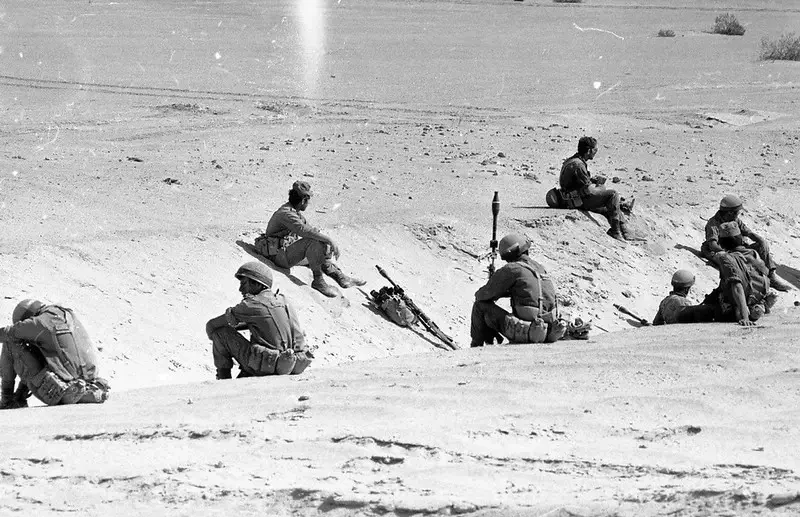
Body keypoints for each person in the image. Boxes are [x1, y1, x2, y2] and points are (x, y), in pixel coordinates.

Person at [255, 181, 365, 298]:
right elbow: (304, 231)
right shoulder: (286, 213)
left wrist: (325, 244)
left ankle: (340, 277)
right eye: (308, 201)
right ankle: (318, 281)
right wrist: (330, 240)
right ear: (303, 200)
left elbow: (311, 230)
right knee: (312, 243)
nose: (308, 204)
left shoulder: (294, 212)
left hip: (283, 252)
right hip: (277, 256)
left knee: (320, 246)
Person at [206, 261, 313, 380]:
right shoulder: (283, 300)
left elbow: (211, 325)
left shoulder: (251, 304)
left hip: (268, 367)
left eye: (244, 283)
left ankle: (223, 379)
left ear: (257, 284)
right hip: (292, 364)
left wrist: (223, 348)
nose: (240, 289)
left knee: (220, 333)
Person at [0, 299, 109, 409]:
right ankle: (19, 397)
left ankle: (7, 399)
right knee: (34, 349)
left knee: (10, 341)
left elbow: (7, 333)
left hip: (60, 389)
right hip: (90, 381)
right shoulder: (66, 313)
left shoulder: (38, 323)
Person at [470, 233, 566, 346]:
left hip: (528, 332)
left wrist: (494, 282)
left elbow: (482, 295)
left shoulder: (512, 269)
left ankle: (476, 346)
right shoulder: (540, 268)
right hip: (550, 332)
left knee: (480, 306)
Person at [701, 194, 792, 292]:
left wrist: (760, 240)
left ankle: (771, 276)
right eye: (737, 212)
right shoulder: (713, 223)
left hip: (736, 248)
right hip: (721, 250)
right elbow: (713, 245)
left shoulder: (735, 220)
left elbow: (748, 232)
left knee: (761, 245)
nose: (738, 214)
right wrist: (727, 253)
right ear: (730, 212)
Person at [559, 136, 636, 241]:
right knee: (613, 194)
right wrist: (600, 187)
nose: (596, 152)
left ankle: (625, 230)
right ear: (589, 151)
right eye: (595, 150)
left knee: (610, 205)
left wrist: (593, 181)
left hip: (574, 197)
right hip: (576, 200)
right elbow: (588, 190)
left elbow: (579, 182)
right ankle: (615, 231)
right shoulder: (578, 165)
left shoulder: (574, 160)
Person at [707, 222, 778, 326]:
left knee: (707, 310)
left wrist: (745, 318)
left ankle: (743, 311)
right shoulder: (753, 253)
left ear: (721, 243)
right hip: (757, 296)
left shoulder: (726, 258)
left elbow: (737, 286)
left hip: (741, 301)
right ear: (740, 239)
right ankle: (760, 305)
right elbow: (765, 273)